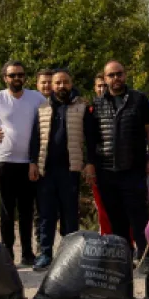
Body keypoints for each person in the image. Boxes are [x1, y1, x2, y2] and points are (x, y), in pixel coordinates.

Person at [33, 69, 100, 271]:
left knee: (69, 212)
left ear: (71, 84)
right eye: (58, 83)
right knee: (46, 213)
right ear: (52, 86)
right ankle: (44, 253)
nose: (62, 86)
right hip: (46, 170)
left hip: (70, 169)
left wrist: (90, 162)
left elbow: (91, 138)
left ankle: (69, 253)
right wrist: (32, 162)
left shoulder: (82, 107)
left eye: (66, 82)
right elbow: (35, 139)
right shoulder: (42, 108)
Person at [93, 60, 149, 272]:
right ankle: (123, 257)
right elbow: (92, 139)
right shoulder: (97, 104)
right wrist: (91, 165)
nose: (115, 78)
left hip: (133, 167)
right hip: (106, 169)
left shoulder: (139, 100)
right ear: (105, 78)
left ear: (125, 75)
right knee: (116, 216)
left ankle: (145, 256)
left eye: (119, 74)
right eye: (111, 75)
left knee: (138, 215)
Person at [0, 60, 46, 267]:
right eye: (12, 75)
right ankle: (7, 252)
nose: (17, 78)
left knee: (27, 210)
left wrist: (36, 160)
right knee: (6, 209)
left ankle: (28, 252)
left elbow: (46, 126)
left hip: (28, 162)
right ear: (5, 78)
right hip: (4, 160)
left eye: (20, 74)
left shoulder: (36, 98)